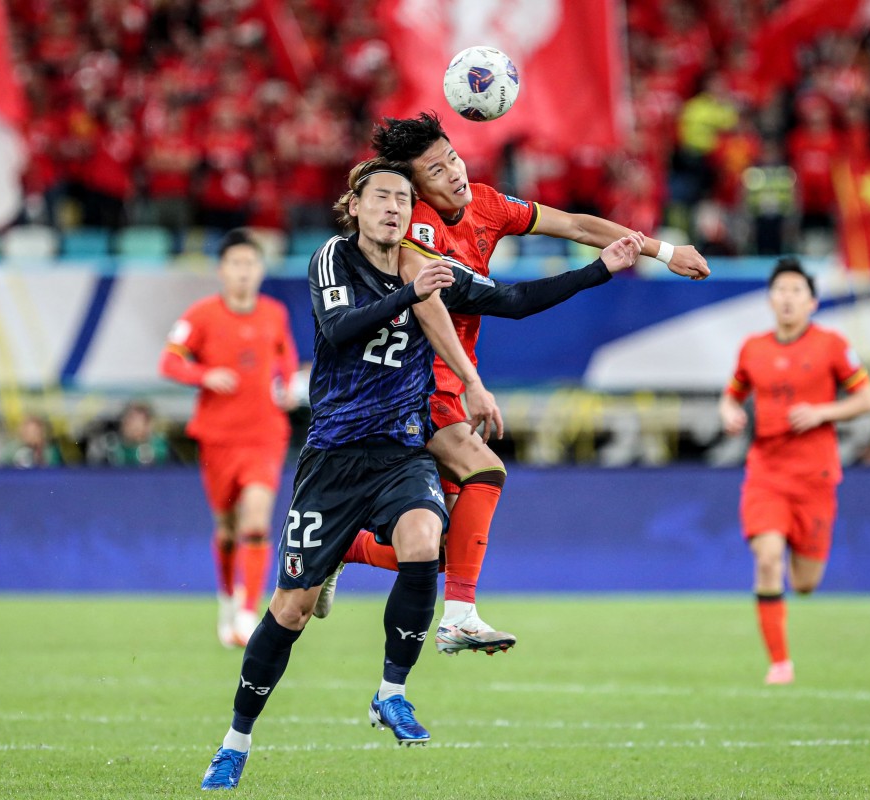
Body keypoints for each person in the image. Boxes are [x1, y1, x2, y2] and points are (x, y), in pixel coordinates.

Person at [199, 158, 644, 790]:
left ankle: (391, 690)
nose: (393, 209)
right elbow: (339, 328)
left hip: (401, 450)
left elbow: (513, 300)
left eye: (404, 201)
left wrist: (601, 269)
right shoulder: (334, 258)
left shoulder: (424, 266)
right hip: (333, 458)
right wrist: (414, 293)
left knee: (423, 541)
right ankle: (235, 742)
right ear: (354, 207)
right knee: (291, 610)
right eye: (380, 198)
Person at [333, 111, 711, 655]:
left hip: (448, 382)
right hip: (413, 380)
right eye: (436, 171)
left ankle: (342, 546)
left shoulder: (486, 203)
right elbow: (508, 303)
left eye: (453, 158)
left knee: (440, 545)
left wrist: (664, 251)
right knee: (484, 468)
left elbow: (578, 225)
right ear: (414, 190)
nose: (454, 174)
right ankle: (458, 616)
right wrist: (599, 271)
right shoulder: (416, 238)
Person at [718, 258, 870, 685]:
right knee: (767, 560)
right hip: (766, 472)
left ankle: (793, 581)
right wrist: (729, 412)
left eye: (796, 291)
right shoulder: (753, 348)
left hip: (816, 477)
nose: (787, 298)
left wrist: (823, 411)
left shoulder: (832, 345)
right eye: (781, 290)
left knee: (805, 582)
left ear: (813, 302)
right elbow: (731, 394)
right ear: (770, 299)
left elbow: (867, 400)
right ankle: (780, 664)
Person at [160, 229, 299, 648]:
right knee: (226, 528)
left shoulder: (274, 313)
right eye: (235, 264)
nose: (243, 272)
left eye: (250, 264)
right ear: (222, 270)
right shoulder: (201, 315)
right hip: (218, 436)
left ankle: (247, 611)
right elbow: (169, 361)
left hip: (264, 434)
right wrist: (204, 374)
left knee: (255, 521)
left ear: (260, 269)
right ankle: (226, 597)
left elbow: (285, 353)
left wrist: (288, 384)